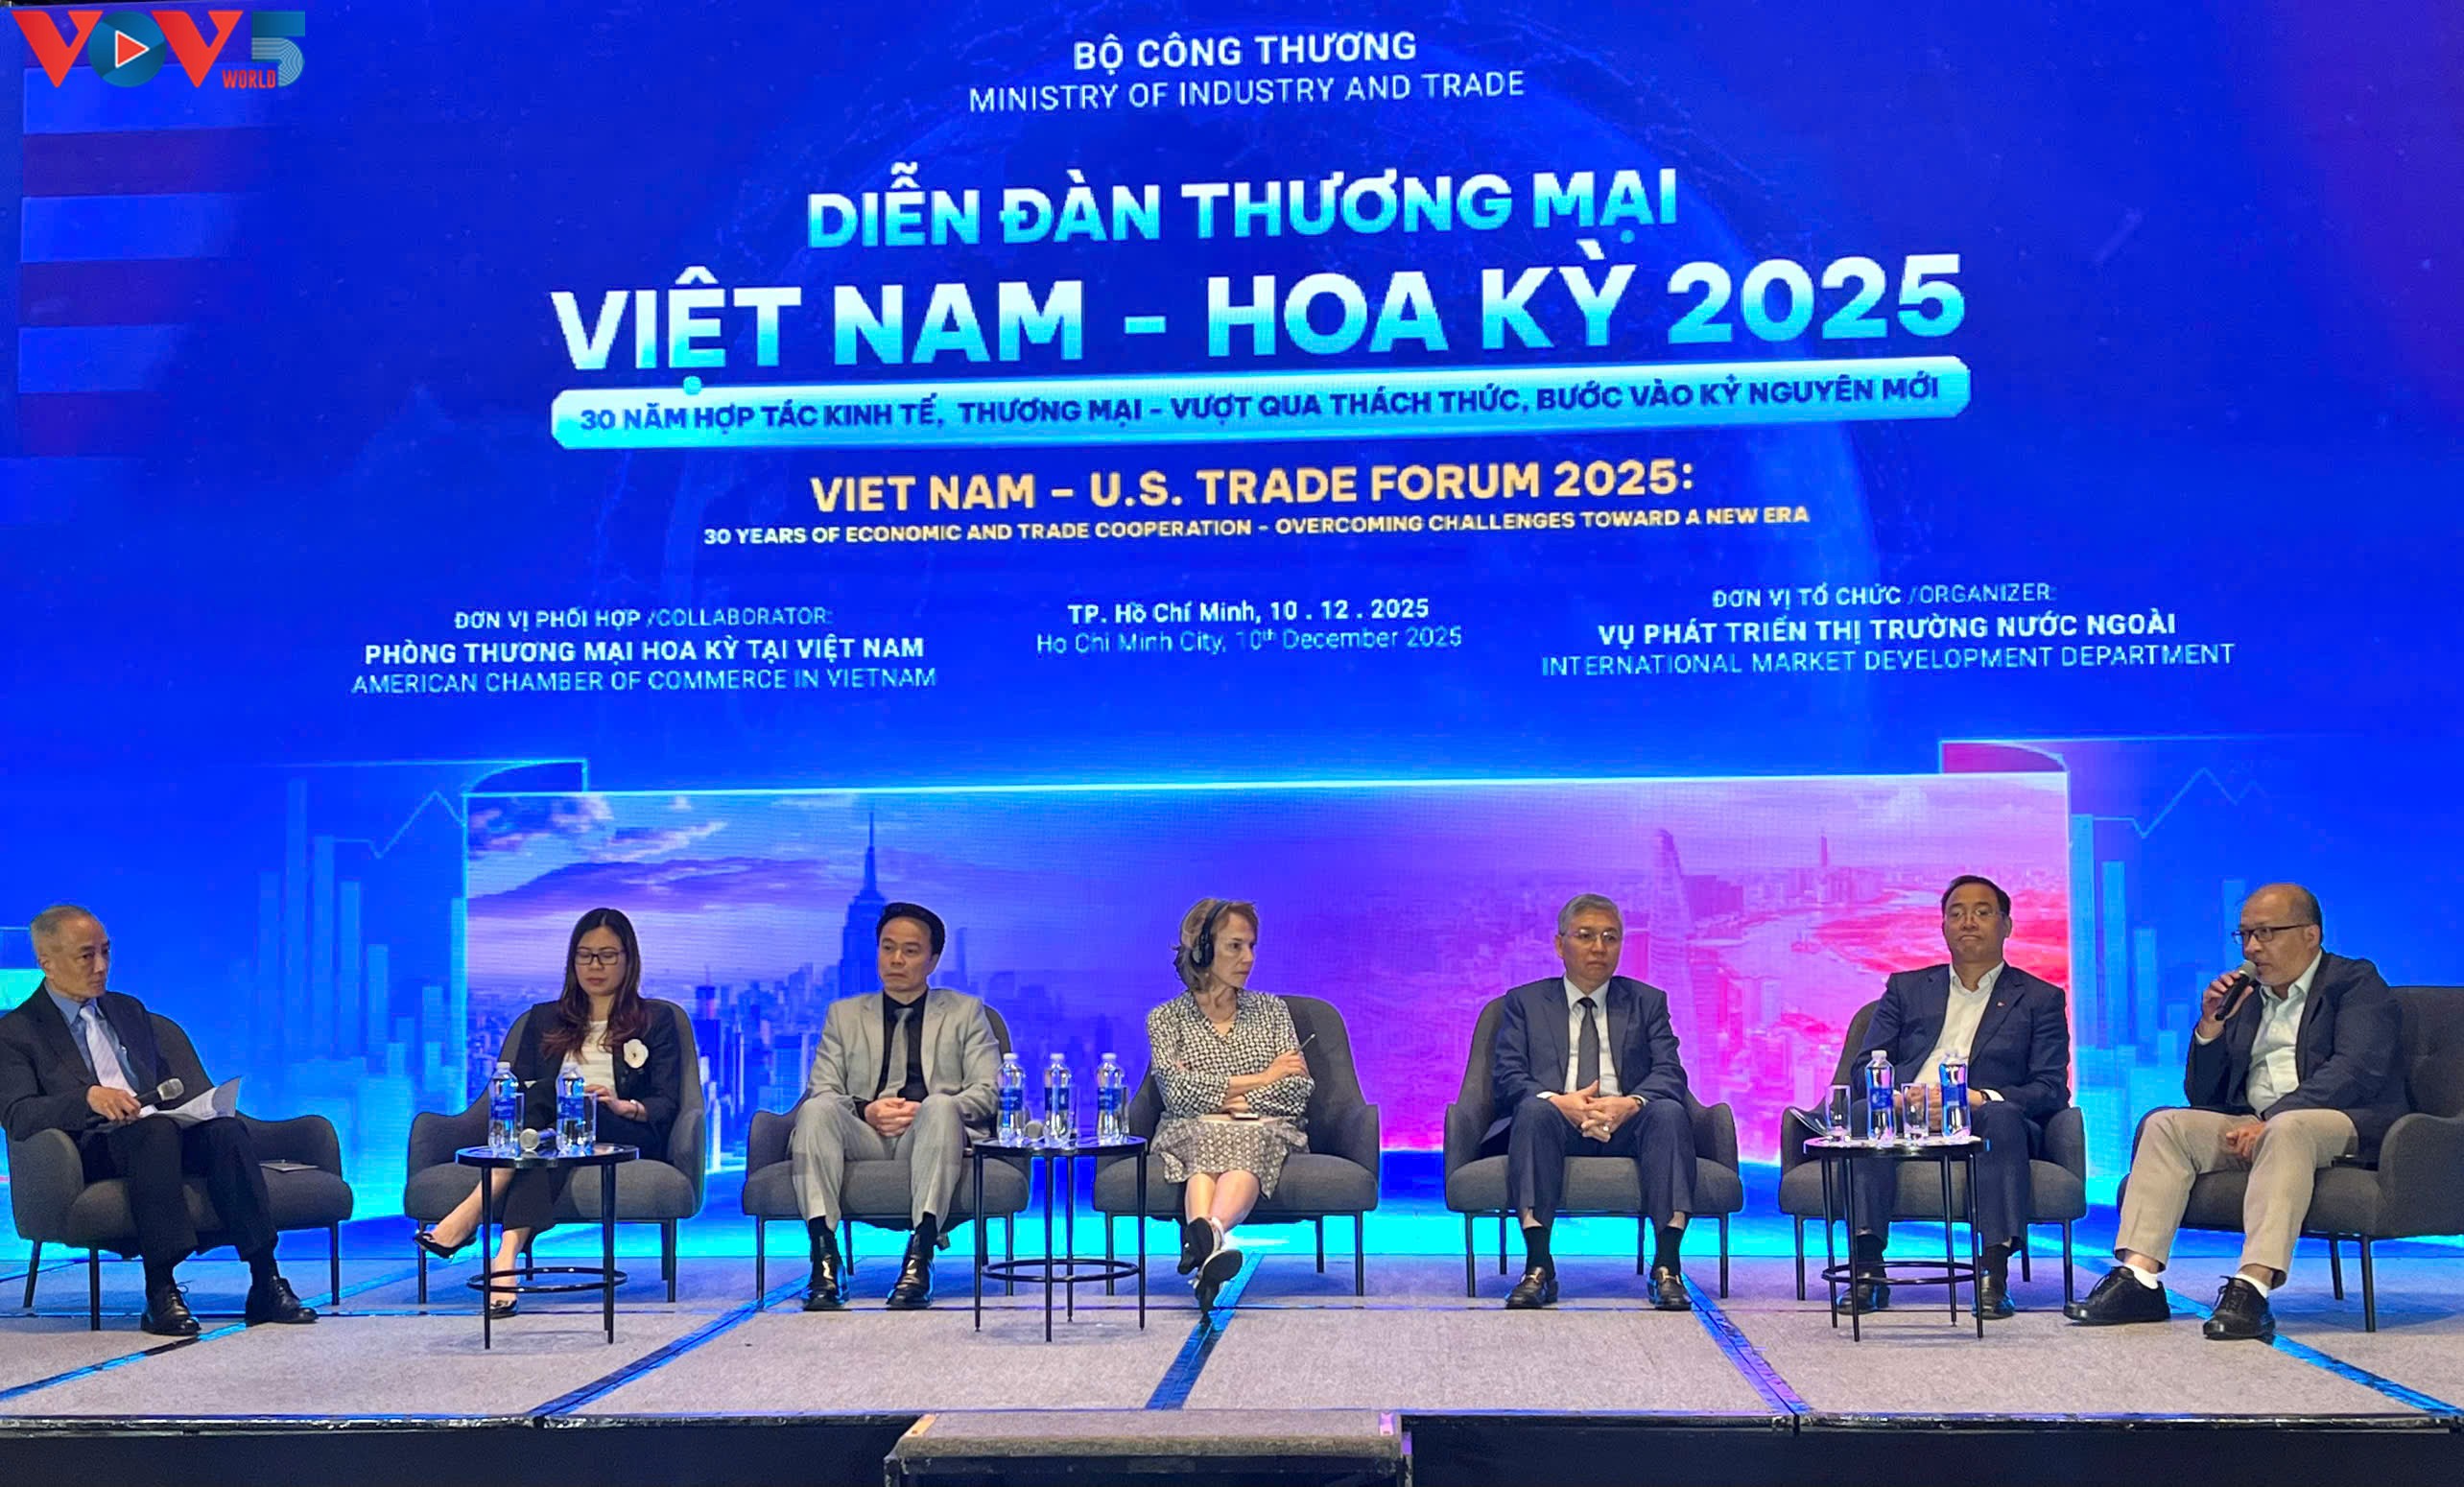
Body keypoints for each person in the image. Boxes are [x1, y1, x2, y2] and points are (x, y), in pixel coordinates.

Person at [2067, 883, 2403, 1341]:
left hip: (2341, 1121)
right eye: (2244, 935)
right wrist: (2211, 1026)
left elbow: (2356, 1071)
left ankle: (2252, 1288)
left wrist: (2274, 1117)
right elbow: (2203, 1095)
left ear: (2310, 934)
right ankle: (2140, 1279)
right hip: (2258, 1123)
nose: (2251, 948)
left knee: (2288, 1128)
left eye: (2265, 933)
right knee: (2166, 1125)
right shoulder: (2247, 996)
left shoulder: (2355, 983)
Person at [0, 905, 317, 1335]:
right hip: (90, 1149)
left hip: (160, 1131)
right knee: (154, 1132)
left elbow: (167, 1084)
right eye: (86, 956)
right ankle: (161, 1289)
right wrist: (87, 1098)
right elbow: (18, 1115)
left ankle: (265, 1280)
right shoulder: (18, 1031)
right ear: (47, 962)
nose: (101, 966)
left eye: (106, 952)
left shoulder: (128, 1010)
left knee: (224, 1131)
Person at [413, 907, 683, 1316]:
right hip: (553, 1133)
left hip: (624, 1130)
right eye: (585, 955)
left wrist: (620, 1104)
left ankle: (469, 1215)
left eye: (607, 955)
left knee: (555, 1109)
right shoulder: (544, 1018)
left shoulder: (656, 1020)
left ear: (629, 960)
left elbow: (667, 1100)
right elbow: (520, 1088)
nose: (595, 966)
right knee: (548, 1130)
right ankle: (505, 1259)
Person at [1835, 874, 2073, 1318]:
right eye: (1956, 913)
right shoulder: (1905, 989)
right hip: (1905, 1111)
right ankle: (1867, 1269)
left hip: (1983, 1115)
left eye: (1982, 912)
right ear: (1943, 926)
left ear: (2006, 925)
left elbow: (2050, 1088)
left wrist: (1978, 1098)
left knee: (2002, 1117)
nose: (1968, 922)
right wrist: (1898, 1097)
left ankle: (1993, 1273)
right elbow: (1865, 1067)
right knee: (1867, 1112)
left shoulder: (2039, 998)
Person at [1484, 893, 1697, 1311]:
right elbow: (1507, 1076)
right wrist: (1560, 1102)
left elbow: (1669, 1072)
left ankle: (1667, 1268)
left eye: (1610, 937)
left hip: (1627, 1123)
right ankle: (1538, 1268)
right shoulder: (1525, 1003)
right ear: (1560, 944)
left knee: (1669, 1113)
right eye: (1585, 936)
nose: (1599, 947)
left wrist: (1630, 1103)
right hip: (1555, 1122)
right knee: (1532, 1110)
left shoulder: (1647, 1002)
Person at [791, 901, 999, 1311]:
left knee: (940, 1107)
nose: (896, 960)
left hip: (931, 1134)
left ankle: (920, 1258)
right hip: (864, 1135)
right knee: (815, 1111)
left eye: (910, 950)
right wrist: (865, 1110)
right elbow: (823, 1088)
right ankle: (824, 1260)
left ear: (932, 960)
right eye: (888, 948)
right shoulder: (844, 1015)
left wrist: (928, 1110)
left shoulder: (964, 1012)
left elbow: (989, 1090)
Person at [1146, 897, 1313, 1314]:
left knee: (1242, 1139)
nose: (1248, 958)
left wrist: (1220, 1096)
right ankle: (1214, 1242)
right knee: (1205, 1138)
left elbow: (1297, 1090)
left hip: (1262, 1128)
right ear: (1203, 950)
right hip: (1191, 1131)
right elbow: (1176, 1094)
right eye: (1235, 946)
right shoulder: (1165, 1019)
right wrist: (1265, 1076)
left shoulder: (1272, 1012)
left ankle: (1205, 1240)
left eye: (1251, 946)